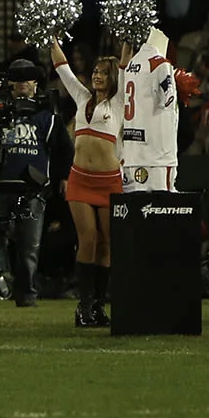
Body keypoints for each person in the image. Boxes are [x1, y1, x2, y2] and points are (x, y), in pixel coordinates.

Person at [49, 37, 124, 327]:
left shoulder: (118, 103)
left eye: (103, 72)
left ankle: (99, 305)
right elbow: (62, 68)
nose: (96, 76)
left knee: (107, 243)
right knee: (88, 239)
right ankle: (83, 307)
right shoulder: (82, 98)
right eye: (95, 71)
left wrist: (126, 41)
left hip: (108, 182)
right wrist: (51, 37)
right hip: (80, 179)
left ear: (113, 77)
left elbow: (127, 65)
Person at [0, 59, 72, 308]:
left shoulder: (48, 117)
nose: (24, 83)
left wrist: (64, 177)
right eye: (19, 78)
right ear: (10, 83)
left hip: (33, 188)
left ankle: (26, 294)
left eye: (28, 78)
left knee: (29, 246)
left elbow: (64, 150)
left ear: (36, 83)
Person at [119, 27, 182, 193]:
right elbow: (167, 100)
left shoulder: (133, 63)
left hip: (132, 153)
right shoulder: (159, 63)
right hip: (157, 156)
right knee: (162, 210)